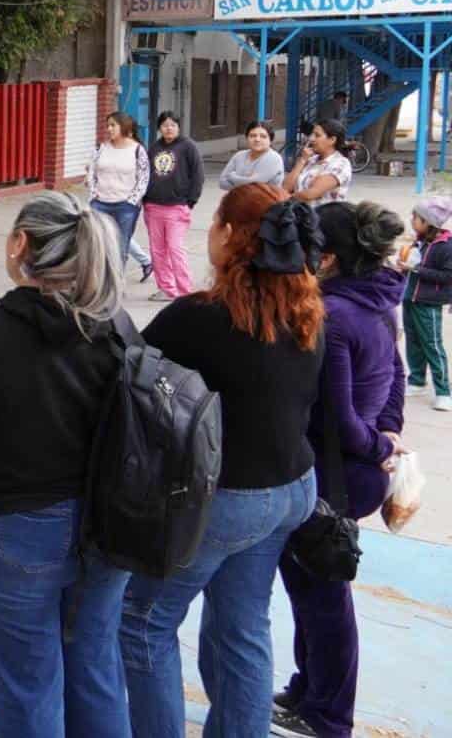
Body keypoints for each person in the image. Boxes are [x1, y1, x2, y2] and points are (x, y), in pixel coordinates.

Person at [120, 184, 324, 738]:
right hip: (291, 488)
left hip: (231, 497)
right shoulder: (307, 312)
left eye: (215, 222)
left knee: (142, 623)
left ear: (233, 236)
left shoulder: (199, 318)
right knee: (243, 624)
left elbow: (127, 371)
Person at [0, 192, 129, 737]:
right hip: (109, 530)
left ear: (21, 246)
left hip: (13, 529)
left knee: (26, 683)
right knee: (96, 667)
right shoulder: (115, 331)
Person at [272, 202, 410, 738]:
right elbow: (396, 375)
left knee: (324, 600)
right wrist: (391, 431)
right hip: (355, 469)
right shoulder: (377, 301)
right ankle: (309, 689)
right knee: (312, 592)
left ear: (327, 257)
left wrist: (377, 443)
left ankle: (329, 715)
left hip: (336, 474)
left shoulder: (332, 316)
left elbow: (338, 417)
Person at [142, 111, 204, 302]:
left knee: (175, 248)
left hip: (177, 207)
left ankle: (185, 291)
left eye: (173, 125)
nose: (169, 128)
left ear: (178, 126)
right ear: (159, 128)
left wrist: (190, 201)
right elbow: (144, 173)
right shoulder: (153, 148)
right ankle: (167, 289)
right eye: (165, 125)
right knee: (157, 250)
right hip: (153, 207)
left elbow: (198, 175)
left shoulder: (188, 147)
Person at [87, 113, 152, 282]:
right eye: (107, 125)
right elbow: (92, 172)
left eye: (113, 125)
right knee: (98, 245)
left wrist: (131, 201)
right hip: (100, 204)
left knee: (121, 247)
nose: (109, 129)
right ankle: (99, 283)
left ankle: (116, 285)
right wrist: (94, 194)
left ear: (124, 127)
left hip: (125, 206)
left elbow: (144, 178)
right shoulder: (100, 148)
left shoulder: (137, 150)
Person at [402, 196, 452, 412]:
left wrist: (416, 269)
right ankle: (416, 381)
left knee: (432, 345)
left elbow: (447, 276)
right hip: (410, 298)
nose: (412, 220)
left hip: (428, 303)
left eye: (416, 217)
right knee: (413, 342)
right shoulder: (420, 241)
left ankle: (443, 392)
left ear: (429, 222)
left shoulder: (446, 247)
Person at [284, 118, 352, 205]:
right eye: (312, 134)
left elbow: (311, 194)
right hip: (299, 214)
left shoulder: (341, 164)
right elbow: (286, 187)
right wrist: (302, 160)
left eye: (317, 135)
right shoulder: (311, 159)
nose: (311, 138)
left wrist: (287, 199)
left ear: (332, 140)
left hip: (323, 216)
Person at [220, 121, 285, 190]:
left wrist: (232, 176)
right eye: (252, 136)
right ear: (247, 138)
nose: (257, 139)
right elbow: (222, 182)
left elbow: (253, 184)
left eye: (263, 136)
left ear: (270, 140)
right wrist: (246, 182)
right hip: (238, 200)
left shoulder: (273, 158)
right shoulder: (239, 156)